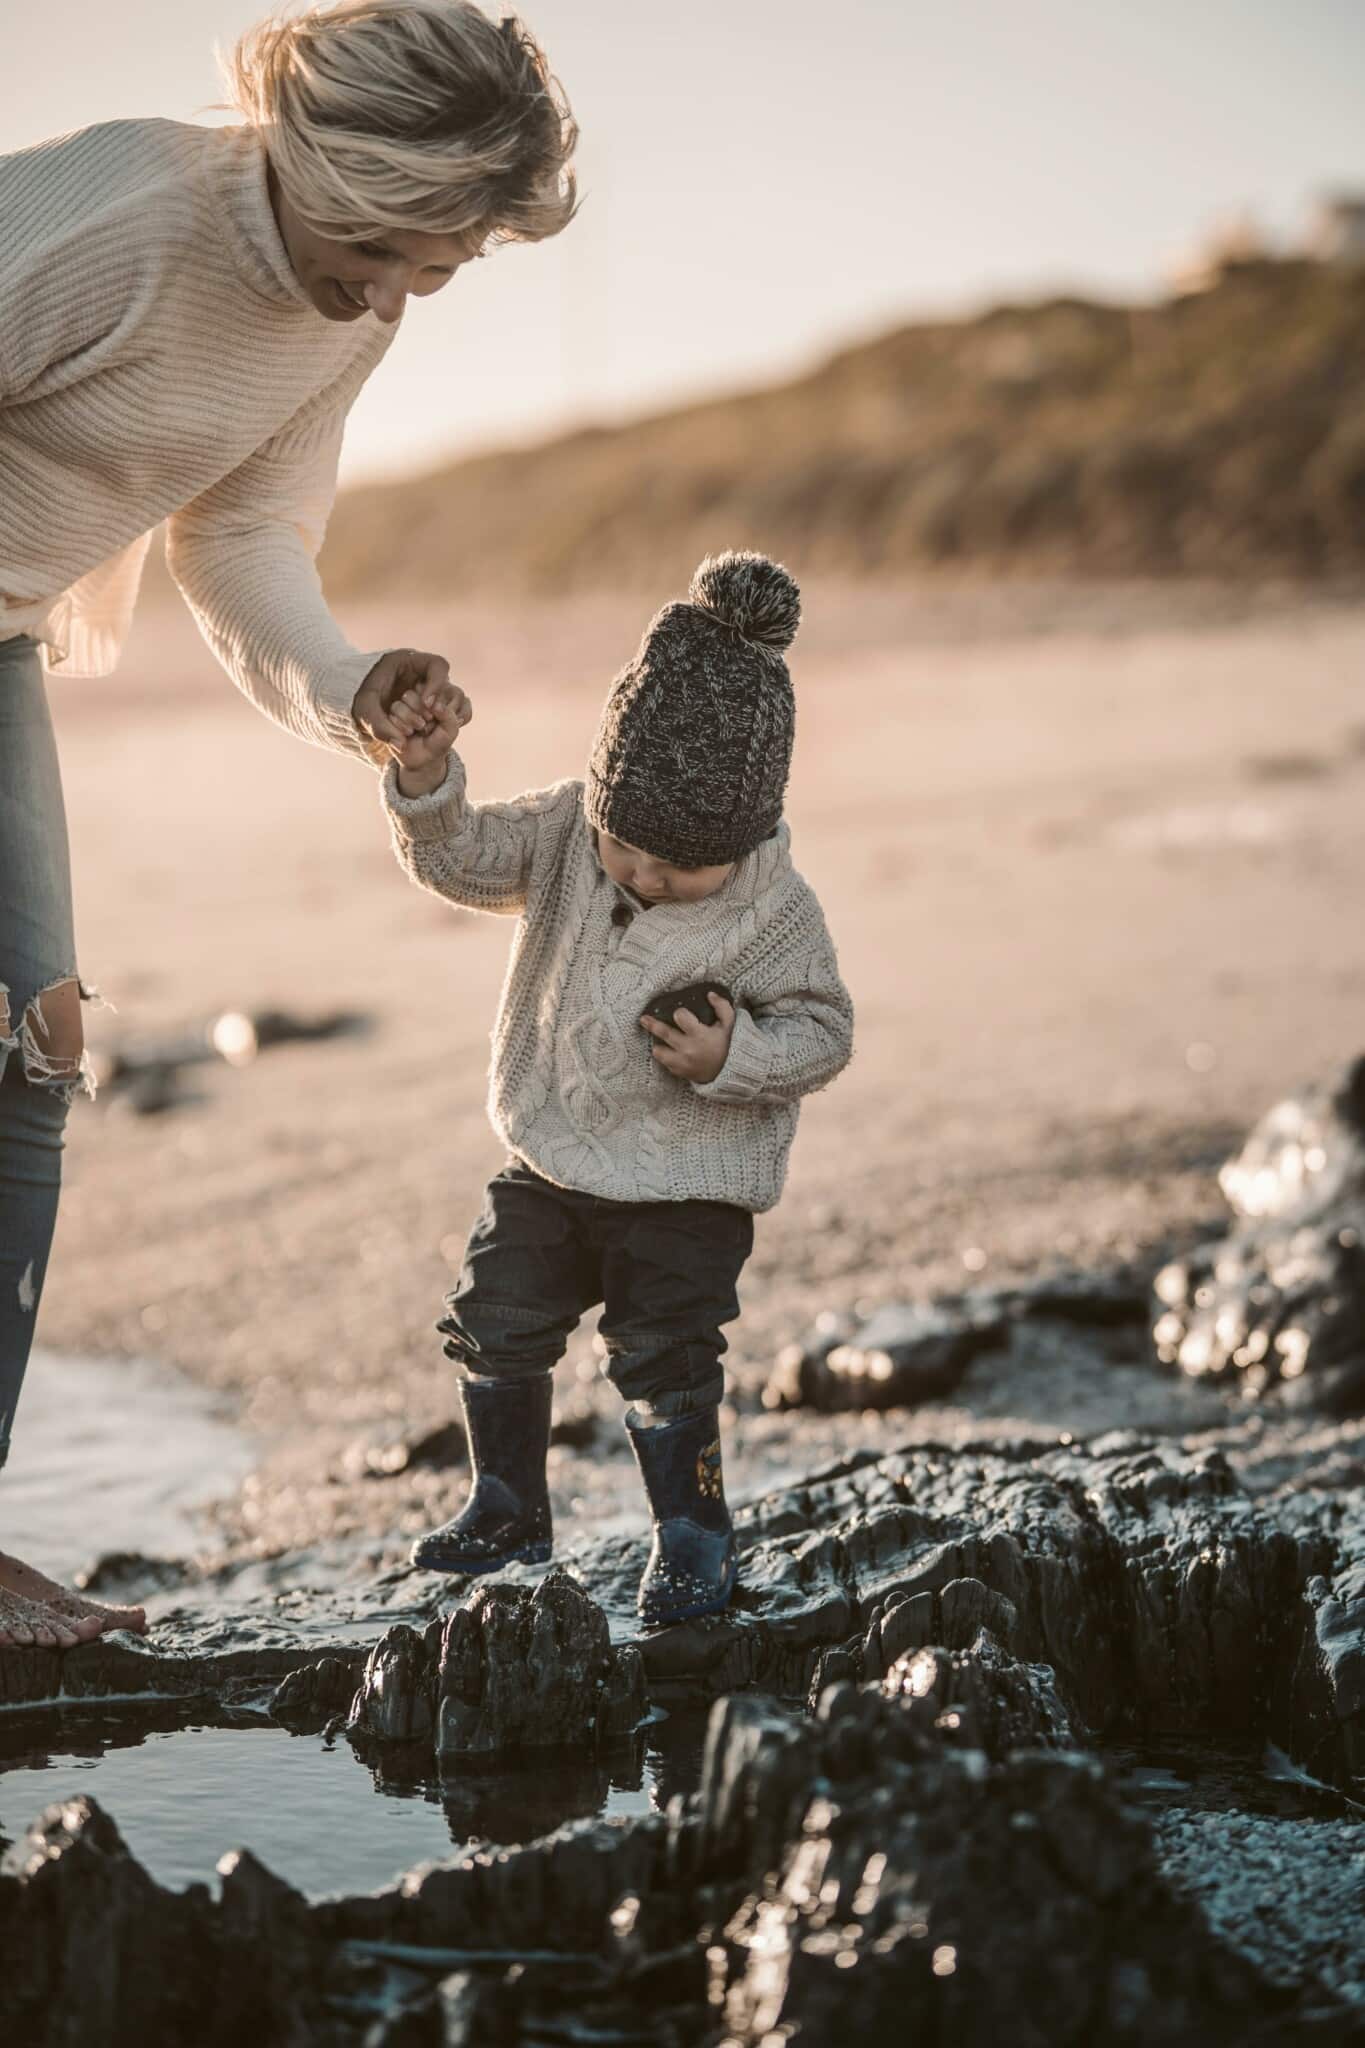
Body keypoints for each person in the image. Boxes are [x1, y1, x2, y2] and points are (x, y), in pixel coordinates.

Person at [0, 0, 576, 1650]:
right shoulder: (127, 213)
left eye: (443, 269)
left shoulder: (344, 310)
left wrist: (353, 684)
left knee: (35, 1053)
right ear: (330, 158)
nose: (401, 291)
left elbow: (241, 538)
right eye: (397, 243)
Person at [380, 551, 854, 1625]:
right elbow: (458, 860)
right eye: (625, 841)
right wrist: (425, 783)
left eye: (679, 866)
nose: (640, 872)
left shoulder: (775, 910)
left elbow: (824, 1031)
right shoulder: (563, 834)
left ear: (742, 841)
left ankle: (692, 1534)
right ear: (600, 791)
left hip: (689, 1187)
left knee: (664, 1356)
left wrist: (734, 1055)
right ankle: (506, 1499)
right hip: (551, 1158)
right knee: (492, 1310)